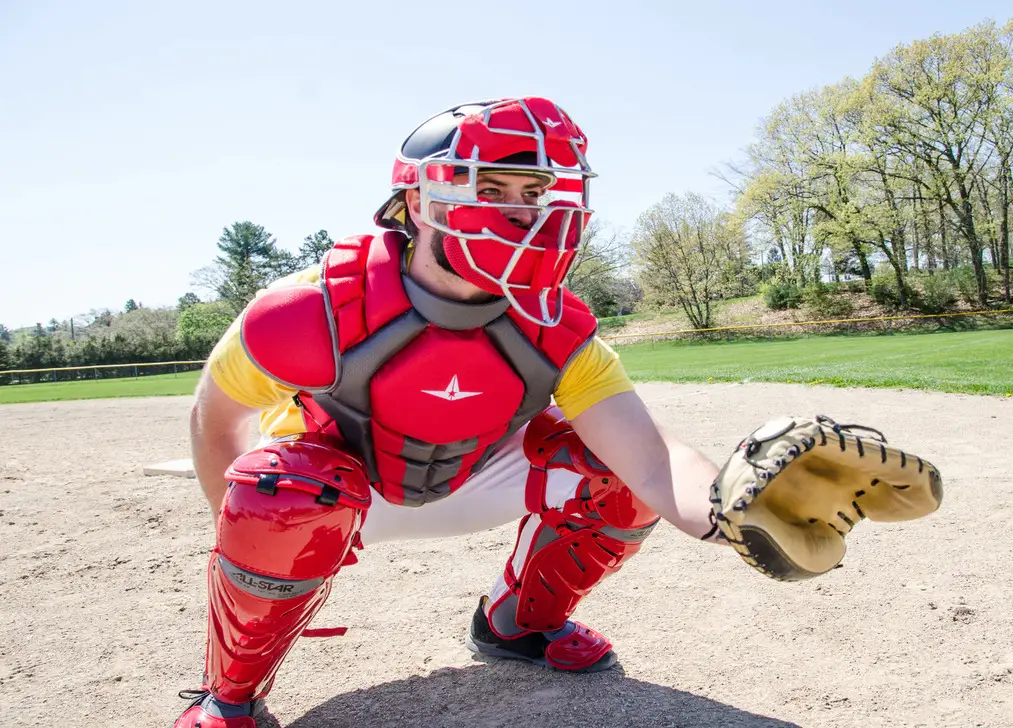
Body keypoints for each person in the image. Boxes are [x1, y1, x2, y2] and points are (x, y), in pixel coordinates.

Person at [175, 97, 728, 728]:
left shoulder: (556, 324)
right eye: (489, 187)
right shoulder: (311, 310)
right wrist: (253, 553)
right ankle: (229, 691)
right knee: (278, 491)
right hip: (341, 498)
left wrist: (734, 512)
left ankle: (518, 624)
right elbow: (216, 422)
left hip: (476, 475)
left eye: (531, 190)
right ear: (417, 202)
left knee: (613, 471)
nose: (517, 211)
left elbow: (651, 457)